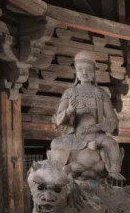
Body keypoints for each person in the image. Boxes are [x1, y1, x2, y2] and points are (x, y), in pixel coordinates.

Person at [50, 50, 124, 181]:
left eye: (89, 69)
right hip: (76, 135)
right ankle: (86, 147)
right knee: (55, 143)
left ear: (94, 72)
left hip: (96, 134)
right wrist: (69, 110)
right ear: (76, 72)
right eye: (80, 69)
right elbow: (57, 121)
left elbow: (112, 119)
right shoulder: (69, 92)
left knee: (112, 144)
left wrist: (98, 127)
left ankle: (114, 170)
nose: (84, 73)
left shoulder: (101, 93)